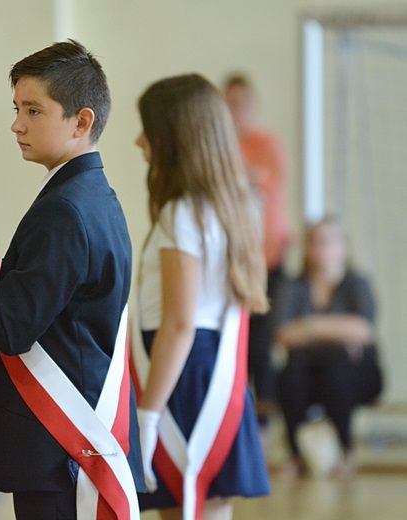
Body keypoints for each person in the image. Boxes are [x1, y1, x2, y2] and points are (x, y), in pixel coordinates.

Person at [0, 40, 146, 519]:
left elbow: (14, 324)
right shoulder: (87, 194)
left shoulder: (65, 209)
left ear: (81, 121)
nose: (16, 124)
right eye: (16, 108)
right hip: (65, 443)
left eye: (34, 110)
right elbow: (56, 321)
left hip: (63, 443)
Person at [134, 74, 270, 519]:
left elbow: (179, 322)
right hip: (209, 369)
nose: (138, 140)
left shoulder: (181, 213)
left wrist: (148, 414)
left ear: (173, 138)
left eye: (148, 129)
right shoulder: (228, 206)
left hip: (183, 374)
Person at [276, 216, 376, 480]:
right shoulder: (294, 287)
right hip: (307, 371)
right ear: (307, 249)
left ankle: (346, 451)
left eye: (330, 241)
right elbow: (283, 334)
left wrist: (308, 327)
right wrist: (339, 330)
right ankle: (296, 454)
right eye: (316, 242)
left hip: (354, 373)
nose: (322, 248)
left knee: (336, 366)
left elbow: (364, 330)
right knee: (291, 373)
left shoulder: (357, 284)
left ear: (344, 247)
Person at [224, 74, 291, 426]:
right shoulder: (220, 145)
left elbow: (266, 177)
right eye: (229, 103)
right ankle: (237, 421)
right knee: (238, 341)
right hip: (234, 259)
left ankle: (263, 425)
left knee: (262, 344)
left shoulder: (266, 143)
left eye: (241, 104)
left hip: (269, 258)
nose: (236, 111)